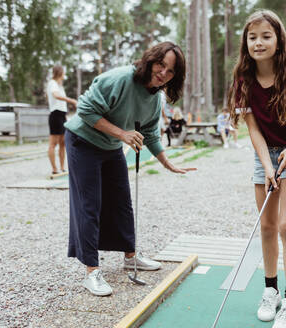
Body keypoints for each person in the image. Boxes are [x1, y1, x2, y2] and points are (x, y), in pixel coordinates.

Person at [64, 41, 196, 297]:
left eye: (170, 72)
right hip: (83, 141)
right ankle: (92, 271)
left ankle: (131, 257)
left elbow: (149, 132)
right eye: (161, 65)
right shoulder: (120, 79)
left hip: (111, 144)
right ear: (151, 59)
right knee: (89, 204)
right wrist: (122, 134)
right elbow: (85, 110)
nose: (163, 74)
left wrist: (167, 163)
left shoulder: (156, 98)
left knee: (123, 202)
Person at [227, 10, 286, 328]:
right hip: (265, 154)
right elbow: (252, 129)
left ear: (279, 39)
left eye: (266, 36)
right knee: (266, 226)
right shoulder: (243, 78)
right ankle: (271, 291)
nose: (258, 42)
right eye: (252, 37)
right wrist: (267, 165)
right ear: (246, 42)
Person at [46, 65, 77, 174]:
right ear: (60, 73)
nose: (64, 74)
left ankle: (62, 167)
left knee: (63, 143)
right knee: (53, 143)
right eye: (63, 72)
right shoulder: (52, 83)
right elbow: (55, 95)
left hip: (63, 115)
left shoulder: (60, 86)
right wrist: (71, 100)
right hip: (55, 115)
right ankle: (54, 169)